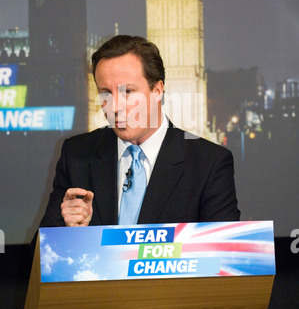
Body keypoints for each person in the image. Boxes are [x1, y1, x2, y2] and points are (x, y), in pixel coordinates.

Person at [40, 35, 240, 228]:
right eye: (105, 93)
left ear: (157, 91)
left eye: (127, 92)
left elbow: (223, 256)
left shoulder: (209, 163)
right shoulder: (76, 155)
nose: (115, 107)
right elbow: (38, 257)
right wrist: (68, 232)